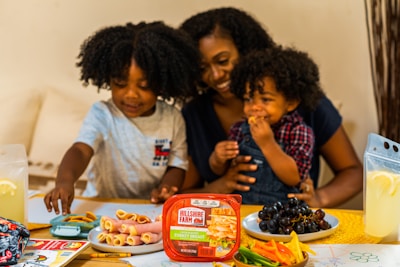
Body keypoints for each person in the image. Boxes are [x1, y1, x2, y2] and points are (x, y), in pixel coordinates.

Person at [179, 7, 363, 208]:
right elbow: (185, 192)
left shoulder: (302, 101)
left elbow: (353, 172)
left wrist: (319, 199)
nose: (215, 75)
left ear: (246, 51)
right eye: (202, 68)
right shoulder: (195, 114)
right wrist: (220, 185)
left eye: (223, 61)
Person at [44, 21, 200, 215]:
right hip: (101, 205)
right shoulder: (103, 114)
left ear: (162, 84)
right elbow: (81, 150)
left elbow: (177, 165)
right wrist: (65, 181)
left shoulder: (172, 118)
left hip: (149, 208)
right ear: (108, 81)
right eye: (120, 83)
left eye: (143, 86)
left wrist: (167, 188)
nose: (131, 95)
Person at [209, 46, 324, 204]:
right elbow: (223, 170)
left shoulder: (299, 131)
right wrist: (217, 159)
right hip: (243, 209)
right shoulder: (239, 129)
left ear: (290, 103)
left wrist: (267, 143)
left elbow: (294, 177)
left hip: (282, 213)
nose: (254, 107)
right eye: (248, 99)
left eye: (266, 100)